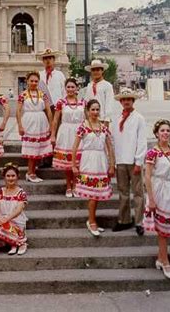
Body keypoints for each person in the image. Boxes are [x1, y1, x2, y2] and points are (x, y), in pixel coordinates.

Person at [143, 119, 170, 280]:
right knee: (162, 229)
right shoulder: (153, 153)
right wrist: (151, 199)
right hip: (159, 190)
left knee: (166, 227)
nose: (165, 133)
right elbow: (147, 176)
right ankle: (165, 261)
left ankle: (160, 259)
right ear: (156, 134)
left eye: (168, 130)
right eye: (162, 131)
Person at [71, 99, 115, 237]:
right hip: (88, 160)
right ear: (87, 111)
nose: (95, 112)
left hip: (101, 161)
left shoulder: (104, 127)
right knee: (92, 194)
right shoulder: (83, 127)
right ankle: (91, 221)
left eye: (97, 109)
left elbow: (109, 147)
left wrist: (112, 164)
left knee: (97, 193)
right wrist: (73, 164)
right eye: (93, 109)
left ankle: (92, 219)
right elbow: (75, 147)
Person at [110, 88, 147, 235]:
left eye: (129, 100)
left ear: (133, 101)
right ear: (120, 102)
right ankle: (124, 220)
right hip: (121, 160)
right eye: (124, 100)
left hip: (133, 160)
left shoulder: (138, 118)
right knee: (123, 192)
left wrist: (139, 161)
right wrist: (113, 161)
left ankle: (139, 221)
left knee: (138, 193)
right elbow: (113, 140)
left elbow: (141, 141)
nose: (126, 102)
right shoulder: (117, 118)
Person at [50, 78, 85, 197]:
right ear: (65, 89)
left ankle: (76, 185)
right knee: (67, 161)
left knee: (77, 161)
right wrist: (53, 135)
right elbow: (55, 120)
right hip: (65, 132)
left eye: (72, 87)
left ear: (76, 88)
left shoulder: (83, 102)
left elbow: (87, 119)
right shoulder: (61, 102)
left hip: (79, 132)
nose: (70, 89)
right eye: (68, 87)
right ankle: (68, 186)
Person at [17, 71, 53, 183]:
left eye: (36, 81)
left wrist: (51, 125)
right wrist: (20, 126)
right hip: (29, 121)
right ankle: (30, 172)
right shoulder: (23, 94)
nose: (33, 83)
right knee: (31, 147)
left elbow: (48, 110)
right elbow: (18, 111)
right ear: (27, 81)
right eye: (31, 80)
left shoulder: (42, 94)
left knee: (38, 148)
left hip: (41, 120)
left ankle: (33, 171)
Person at [84, 59, 115, 125]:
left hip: (102, 119)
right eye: (93, 70)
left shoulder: (107, 85)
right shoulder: (89, 85)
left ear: (102, 71)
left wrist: (107, 119)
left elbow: (109, 103)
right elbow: (86, 102)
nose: (96, 72)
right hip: (90, 119)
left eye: (98, 70)